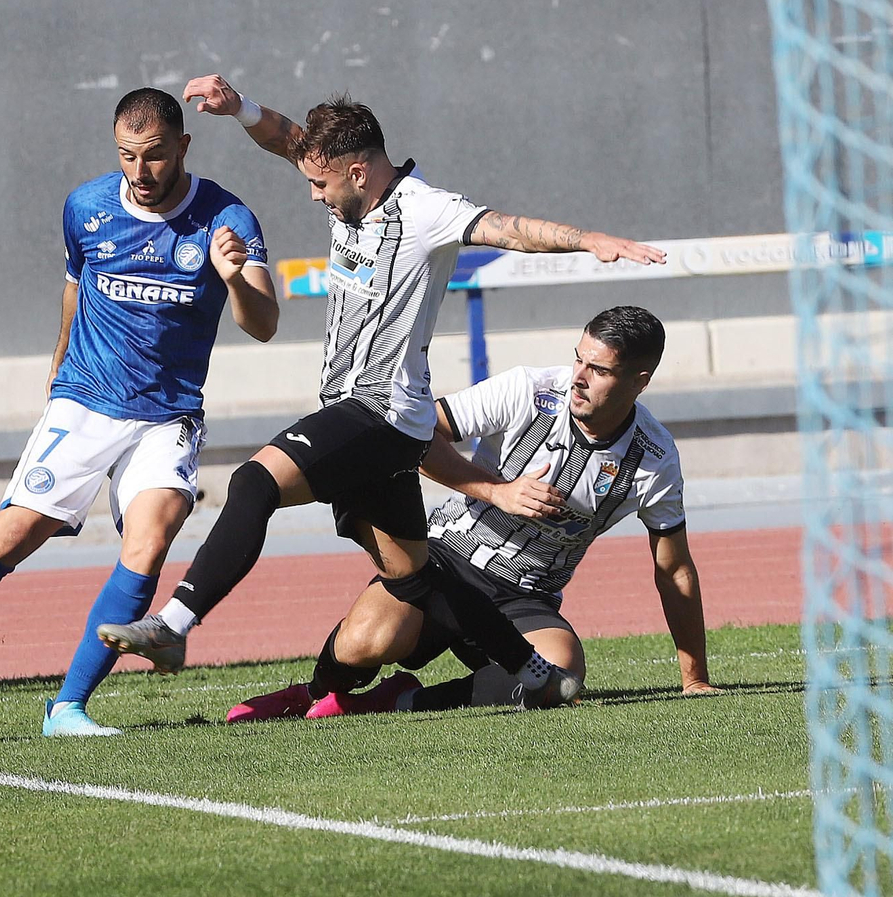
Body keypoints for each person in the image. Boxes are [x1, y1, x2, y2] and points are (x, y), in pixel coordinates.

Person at [98, 74, 668, 708]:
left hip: (381, 413)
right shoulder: (346, 189)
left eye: (321, 184)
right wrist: (241, 110)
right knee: (414, 575)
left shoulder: (425, 209)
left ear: (361, 171)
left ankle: (175, 625)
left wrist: (590, 241)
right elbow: (289, 140)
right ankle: (530, 668)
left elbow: (507, 227)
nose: (313, 196)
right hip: (369, 419)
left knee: (253, 483)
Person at [0, 87, 280, 739]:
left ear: (182, 146)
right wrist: (60, 359)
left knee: (151, 542)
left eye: (153, 157)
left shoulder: (226, 217)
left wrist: (233, 277)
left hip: (166, 415)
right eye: (127, 156)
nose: (140, 173)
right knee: (11, 538)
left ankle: (67, 708)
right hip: (86, 399)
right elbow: (76, 285)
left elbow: (263, 324)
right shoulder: (87, 206)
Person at [227, 306, 717, 722]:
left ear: (639, 380)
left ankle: (402, 700)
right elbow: (412, 434)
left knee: (562, 678)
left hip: (527, 597)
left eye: (600, 370)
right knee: (365, 642)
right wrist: (497, 491)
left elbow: (673, 568)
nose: (579, 378)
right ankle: (313, 694)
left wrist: (694, 679)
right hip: (444, 565)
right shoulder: (529, 390)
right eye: (578, 359)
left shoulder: (654, 456)